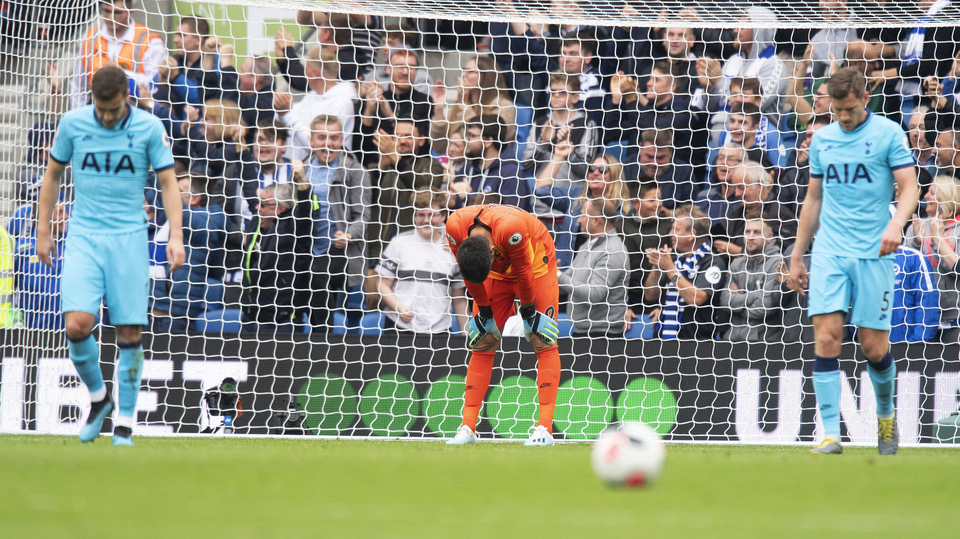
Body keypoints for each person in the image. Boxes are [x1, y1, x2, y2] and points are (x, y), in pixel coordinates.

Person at [38, 65, 185, 446]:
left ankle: (124, 425)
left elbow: (168, 182)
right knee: (76, 325)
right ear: (92, 97)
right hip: (84, 235)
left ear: (127, 99)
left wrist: (176, 236)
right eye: (101, 109)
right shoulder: (72, 124)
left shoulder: (149, 128)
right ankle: (99, 398)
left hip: (129, 237)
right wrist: (43, 229)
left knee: (129, 330)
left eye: (114, 110)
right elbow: (52, 175)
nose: (106, 116)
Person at [787, 68, 919, 456]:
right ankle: (830, 434)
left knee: (874, 348)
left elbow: (910, 186)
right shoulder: (823, 139)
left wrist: (896, 225)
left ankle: (885, 418)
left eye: (848, 109)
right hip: (830, 250)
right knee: (826, 336)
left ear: (864, 97)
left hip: (875, 250)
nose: (842, 117)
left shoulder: (888, 133)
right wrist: (797, 254)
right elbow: (813, 199)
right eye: (836, 109)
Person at [444, 203, 561, 447]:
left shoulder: (511, 229)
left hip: (535, 264)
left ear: (492, 249)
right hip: (494, 275)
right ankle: (467, 427)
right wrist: (484, 310)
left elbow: (524, 272)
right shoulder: (454, 227)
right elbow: (470, 276)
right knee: (483, 340)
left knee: (542, 338)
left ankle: (545, 428)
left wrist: (528, 311)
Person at [295, 115, 372, 330]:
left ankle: (324, 340)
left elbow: (363, 216)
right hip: (305, 250)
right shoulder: (301, 171)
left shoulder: (355, 172)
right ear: (311, 141)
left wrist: (348, 235)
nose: (328, 144)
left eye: (334, 138)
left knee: (320, 276)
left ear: (342, 140)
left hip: (340, 250)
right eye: (322, 138)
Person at [376, 192, 468, 334]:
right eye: (420, 215)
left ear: (443, 216)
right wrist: (398, 307)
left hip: (439, 330)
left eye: (432, 215)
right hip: (399, 327)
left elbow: (459, 297)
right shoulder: (399, 243)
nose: (426, 220)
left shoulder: (453, 250)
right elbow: (382, 284)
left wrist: (466, 334)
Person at [644, 204, 728, 340]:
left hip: (696, 344)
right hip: (664, 339)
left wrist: (670, 268)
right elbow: (650, 296)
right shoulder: (676, 261)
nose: (670, 234)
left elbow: (696, 299)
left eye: (675, 229)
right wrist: (657, 267)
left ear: (691, 234)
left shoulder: (713, 262)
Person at [240, 181, 312, 334]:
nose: (258, 208)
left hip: (281, 320)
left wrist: (302, 180)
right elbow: (248, 183)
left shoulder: (293, 228)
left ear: (280, 208)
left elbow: (305, 211)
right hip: (250, 315)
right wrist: (243, 156)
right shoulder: (256, 222)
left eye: (264, 205)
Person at [70, 0, 166, 109]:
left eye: (117, 12)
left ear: (130, 12)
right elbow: (78, 86)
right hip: (97, 112)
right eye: (106, 11)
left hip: (136, 113)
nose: (110, 17)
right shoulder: (91, 38)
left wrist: (122, 73)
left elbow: (157, 87)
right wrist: (78, 114)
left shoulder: (150, 41)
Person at [558, 198, 630, 336]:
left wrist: (558, 276)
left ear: (596, 220)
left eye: (583, 215)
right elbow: (567, 281)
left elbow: (594, 295)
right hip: (582, 333)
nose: (578, 220)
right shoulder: (586, 246)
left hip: (603, 337)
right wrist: (550, 275)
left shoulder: (613, 251)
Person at [720, 211, 791, 343]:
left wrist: (739, 301)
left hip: (765, 342)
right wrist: (757, 294)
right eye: (748, 231)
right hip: (733, 340)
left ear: (769, 237)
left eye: (757, 232)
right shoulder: (736, 264)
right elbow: (725, 301)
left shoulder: (777, 262)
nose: (751, 237)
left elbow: (765, 306)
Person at [905, 174, 960, 342]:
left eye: (931, 192)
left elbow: (957, 269)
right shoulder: (917, 227)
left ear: (945, 199)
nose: (925, 196)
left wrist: (937, 238)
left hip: (953, 319)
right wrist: (915, 243)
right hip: (920, 316)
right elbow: (906, 271)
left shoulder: (958, 230)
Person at [275, 47, 357, 159]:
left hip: (334, 171)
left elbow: (319, 144)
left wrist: (286, 114)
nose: (305, 74)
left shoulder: (342, 103)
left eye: (306, 69)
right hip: (304, 167)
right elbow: (287, 120)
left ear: (314, 73)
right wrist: (280, 108)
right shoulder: (312, 95)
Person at [618, 179, 671, 330]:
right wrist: (622, 307)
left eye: (660, 198)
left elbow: (674, 270)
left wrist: (664, 306)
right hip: (627, 300)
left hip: (659, 300)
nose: (658, 204)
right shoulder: (620, 228)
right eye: (652, 199)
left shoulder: (669, 228)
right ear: (635, 203)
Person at [455, 116, 530, 211]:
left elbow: (510, 217)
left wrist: (469, 196)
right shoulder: (468, 168)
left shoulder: (511, 175)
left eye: (472, 136)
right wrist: (449, 202)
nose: (466, 140)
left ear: (488, 141)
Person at [16, 201, 68, 329]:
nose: (67, 216)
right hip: (34, 335)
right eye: (60, 212)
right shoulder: (22, 249)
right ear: (46, 214)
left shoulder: (75, 245)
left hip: (71, 335)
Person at [891, 245, 940, 343]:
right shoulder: (861, 259)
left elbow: (927, 302)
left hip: (906, 346)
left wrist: (917, 343)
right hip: (868, 346)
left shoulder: (913, 257)